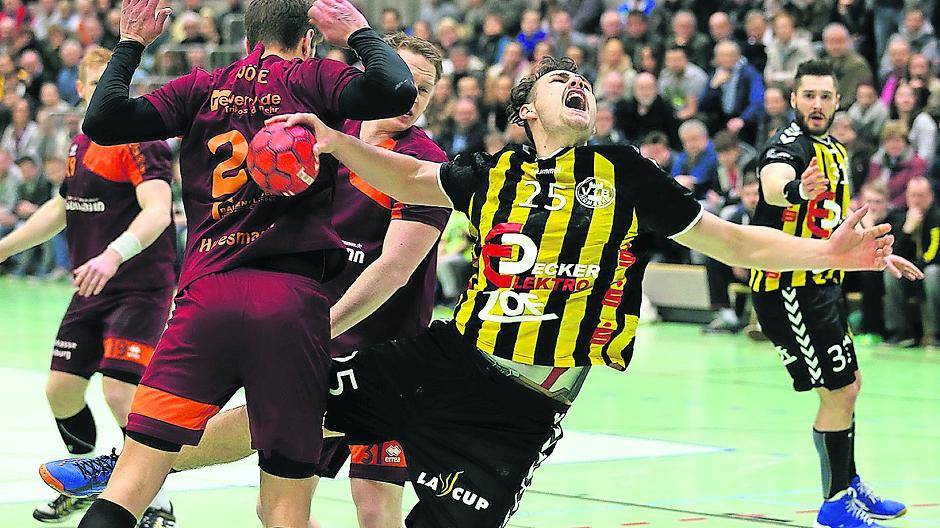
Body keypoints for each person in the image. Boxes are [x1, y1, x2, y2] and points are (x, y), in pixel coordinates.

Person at [45, 55, 898, 528]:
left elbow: (732, 238)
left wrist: (832, 250)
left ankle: (126, 470)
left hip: (520, 406)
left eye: (587, 85)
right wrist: (336, 146)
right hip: (443, 362)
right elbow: (409, 172)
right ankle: (127, 468)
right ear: (528, 109)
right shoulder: (489, 175)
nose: (583, 88)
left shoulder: (626, 174)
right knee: (282, 413)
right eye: (564, 83)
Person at [64, 0, 418, 526]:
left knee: (129, 487)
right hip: (290, 305)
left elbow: (103, 119)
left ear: (250, 36)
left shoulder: (202, 86)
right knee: (282, 509)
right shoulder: (315, 78)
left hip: (205, 299)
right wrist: (360, 32)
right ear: (307, 39)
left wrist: (131, 44)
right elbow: (397, 90)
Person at [0, 47, 177, 526]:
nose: (105, 88)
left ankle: (153, 500)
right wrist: (5, 248)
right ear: (80, 89)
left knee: (121, 390)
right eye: (96, 81)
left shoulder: (142, 139)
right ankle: (86, 480)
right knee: (61, 390)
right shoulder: (82, 142)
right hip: (91, 286)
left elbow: (158, 210)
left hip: (139, 285)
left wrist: (112, 253)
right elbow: (61, 210)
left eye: (113, 80)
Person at [749, 59, 918, 528]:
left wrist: (879, 254)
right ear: (794, 99)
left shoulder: (837, 151)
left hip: (824, 285)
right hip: (788, 288)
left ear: (837, 101)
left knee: (849, 387)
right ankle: (835, 502)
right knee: (837, 391)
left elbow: (844, 220)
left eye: (826, 96)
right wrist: (797, 191)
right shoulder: (789, 147)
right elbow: (774, 187)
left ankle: (848, 481)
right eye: (809, 96)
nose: (818, 105)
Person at [883, 176, 940, 347]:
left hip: (931, 270)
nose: (916, 200)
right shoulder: (899, 217)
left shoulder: (936, 217)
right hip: (913, 272)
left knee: (932, 273)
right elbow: (894, 255)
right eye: (913, 195)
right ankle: (900, 332)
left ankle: (935, 335)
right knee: (891, 273)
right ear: (907, 196)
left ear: (930, 196)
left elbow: (935, 253)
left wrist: (915, 268)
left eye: (921, 196)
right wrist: (908, 229)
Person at [699, 39, 765, 145]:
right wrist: (713, 87)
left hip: (744, 120)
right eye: (723, 56)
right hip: (721, 121)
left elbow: (758, 100)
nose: (727, 59)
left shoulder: (749, 73)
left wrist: (743, 119)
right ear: (717, 58)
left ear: (738, 55)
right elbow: (702, 105)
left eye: (731, 55)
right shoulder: (715, 74)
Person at [865, 120, 928, 208]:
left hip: (899, 210)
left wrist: (889, 207)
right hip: (875, 206)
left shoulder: (916, 163)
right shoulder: (877, 162)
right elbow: (869, 186)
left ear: (905, 143)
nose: (893, 145)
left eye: (897, 140)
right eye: (889, 141)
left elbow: (910, 194)